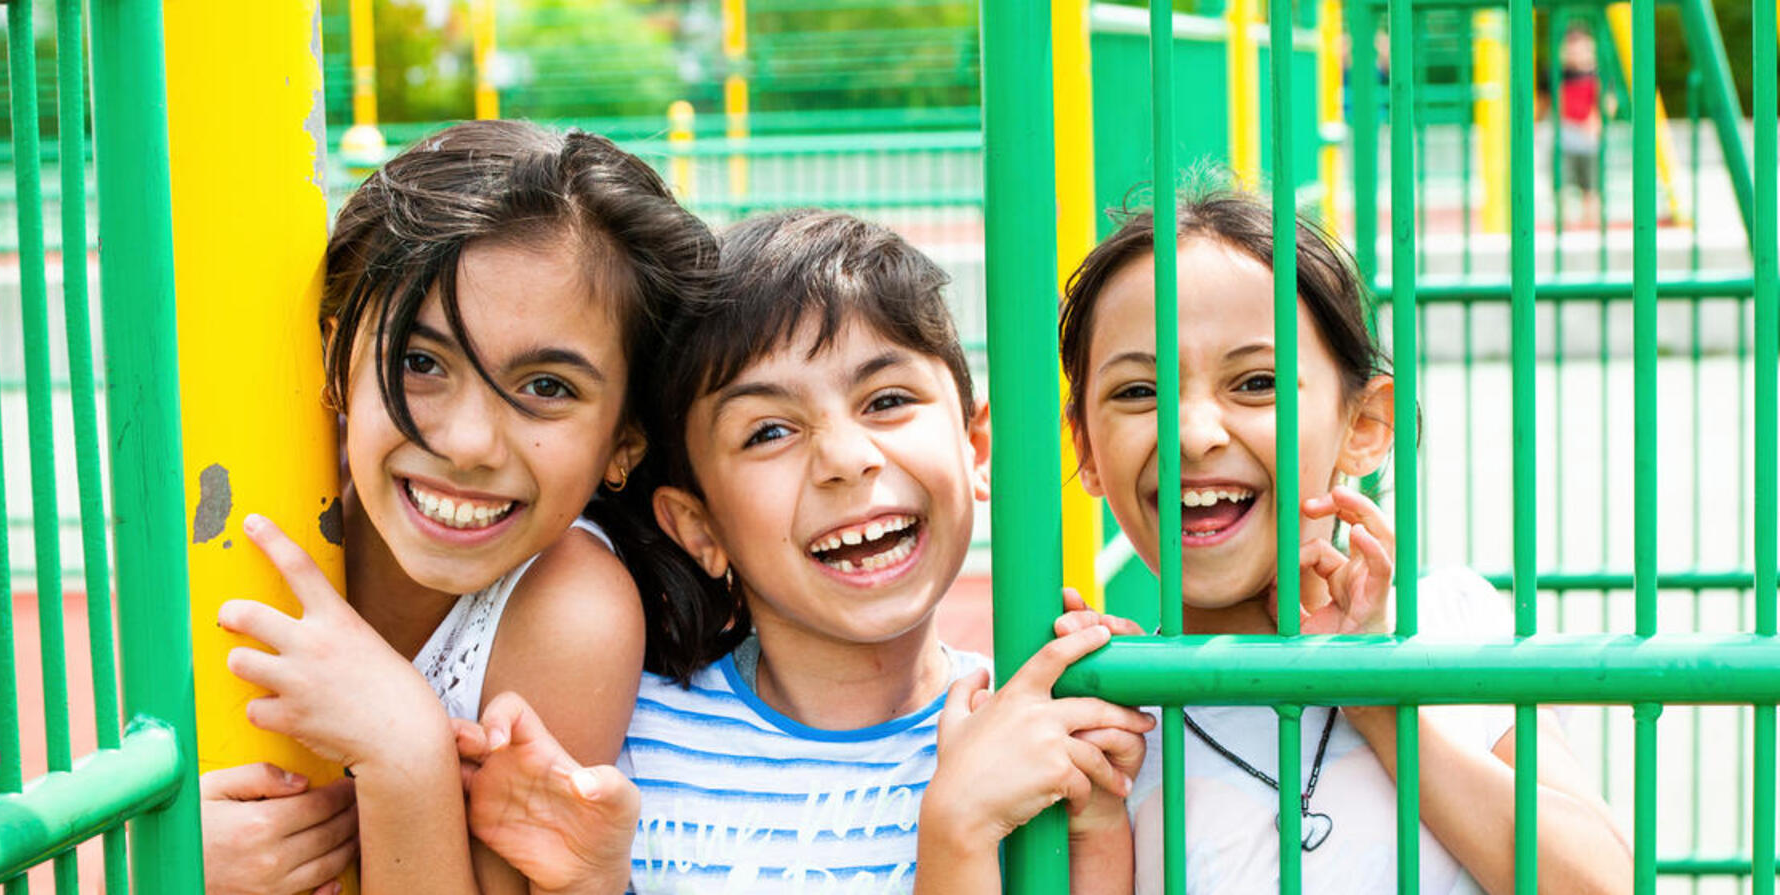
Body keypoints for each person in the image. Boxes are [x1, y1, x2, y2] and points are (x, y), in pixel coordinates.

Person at [453, 209, 1150, 894]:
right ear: (699, 528)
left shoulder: (1031, 741)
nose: (845, 459)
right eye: (768, 431)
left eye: (887, 400)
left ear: (975, 446)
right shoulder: (625, 745)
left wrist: (1091, 821)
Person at [203, 119, 731, 895]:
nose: (469, 442)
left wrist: (406, 750)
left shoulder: (570, 610)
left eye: (546, 387)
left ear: (625, 439)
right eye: (420, 362)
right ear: (333, 360)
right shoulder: (243, 518)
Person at [1056, 186, 1632, 893]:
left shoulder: (1456, 627)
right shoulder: (1109, 727)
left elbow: (1606, 883)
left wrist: (1377, 697)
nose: (1194, 434)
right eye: (1139, 392)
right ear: (1084, 445)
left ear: (1363, 425)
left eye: (1257, 383)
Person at [1555, 24, 1603, 227]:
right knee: (1562, 181)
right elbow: (1548, 100)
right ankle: (1564, 221)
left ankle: (1590, 220)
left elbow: (1605, 101)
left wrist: (1596, 119)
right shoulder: (1558, 74)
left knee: (1591, 184)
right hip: (1566, 131)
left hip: (1587, 134)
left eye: (1581, 48)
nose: (1576, 54)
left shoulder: (1597, 75)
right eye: (1571, 49)